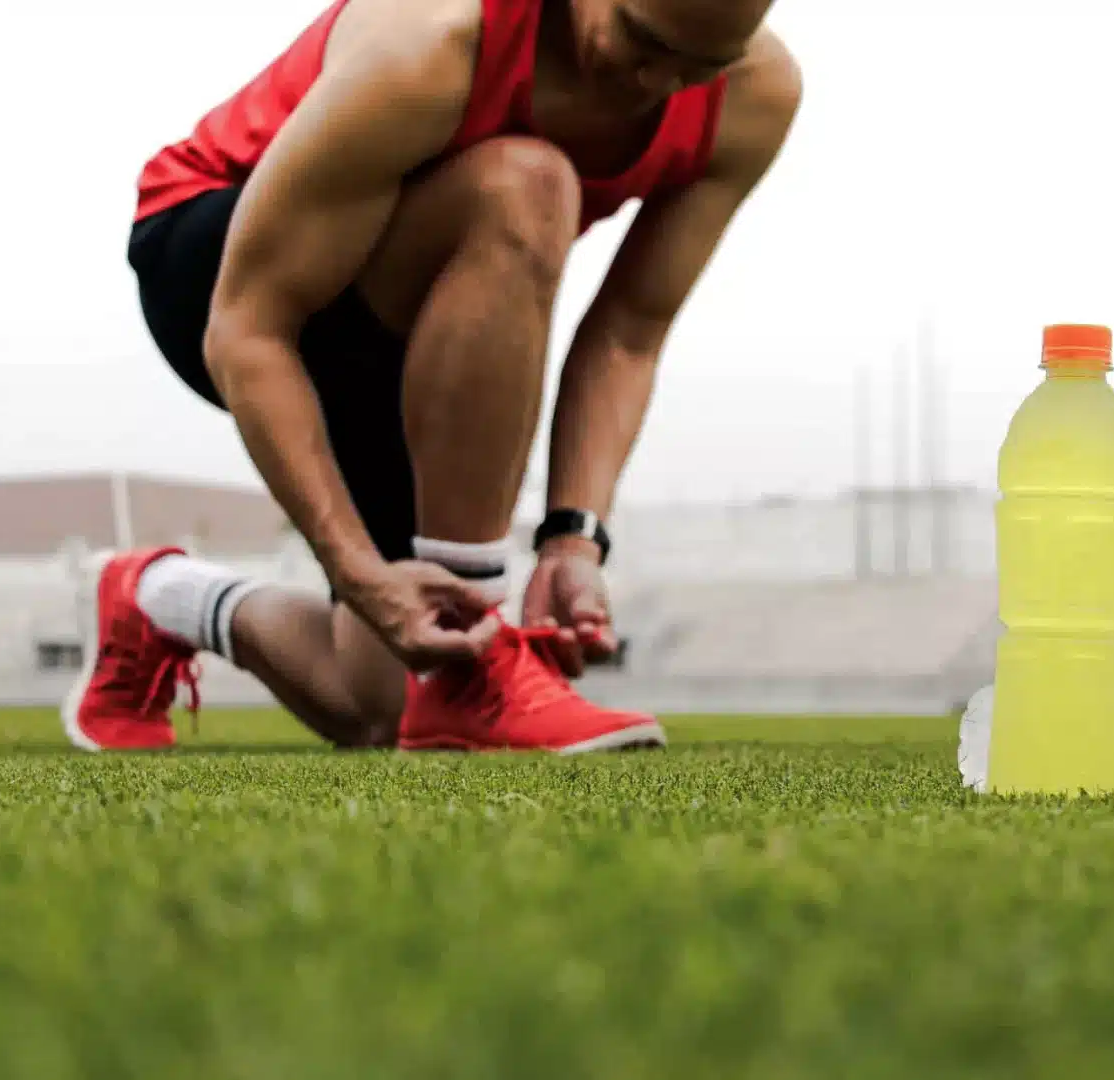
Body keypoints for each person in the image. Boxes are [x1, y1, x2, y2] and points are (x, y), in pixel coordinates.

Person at [62, 0, 801, 753]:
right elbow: (248, 328)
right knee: (527, 184)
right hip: (223, 268)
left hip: (410, 315)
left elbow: (629, 334)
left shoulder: (755, 95)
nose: (659, 80)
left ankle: (154, 597)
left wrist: (573, 545)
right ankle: (473, 678)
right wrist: (355, 571)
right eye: (641, 40)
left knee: (378, 703)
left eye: (699, 66)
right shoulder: (435, 33)